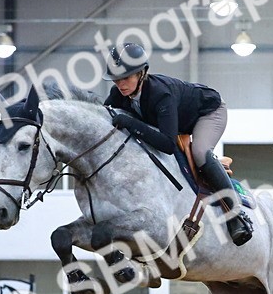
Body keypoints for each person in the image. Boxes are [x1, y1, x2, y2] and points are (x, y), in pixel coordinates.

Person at [102, 42, 252, 246]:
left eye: (126, 78)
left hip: (208, 112)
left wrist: (130, 122)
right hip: (179, 120)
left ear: (141, 73)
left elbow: (167, 144)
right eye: (116, 79)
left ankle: (236, 215)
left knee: (200, 151)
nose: (120, 85)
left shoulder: (160, 94)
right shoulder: (118, 94)